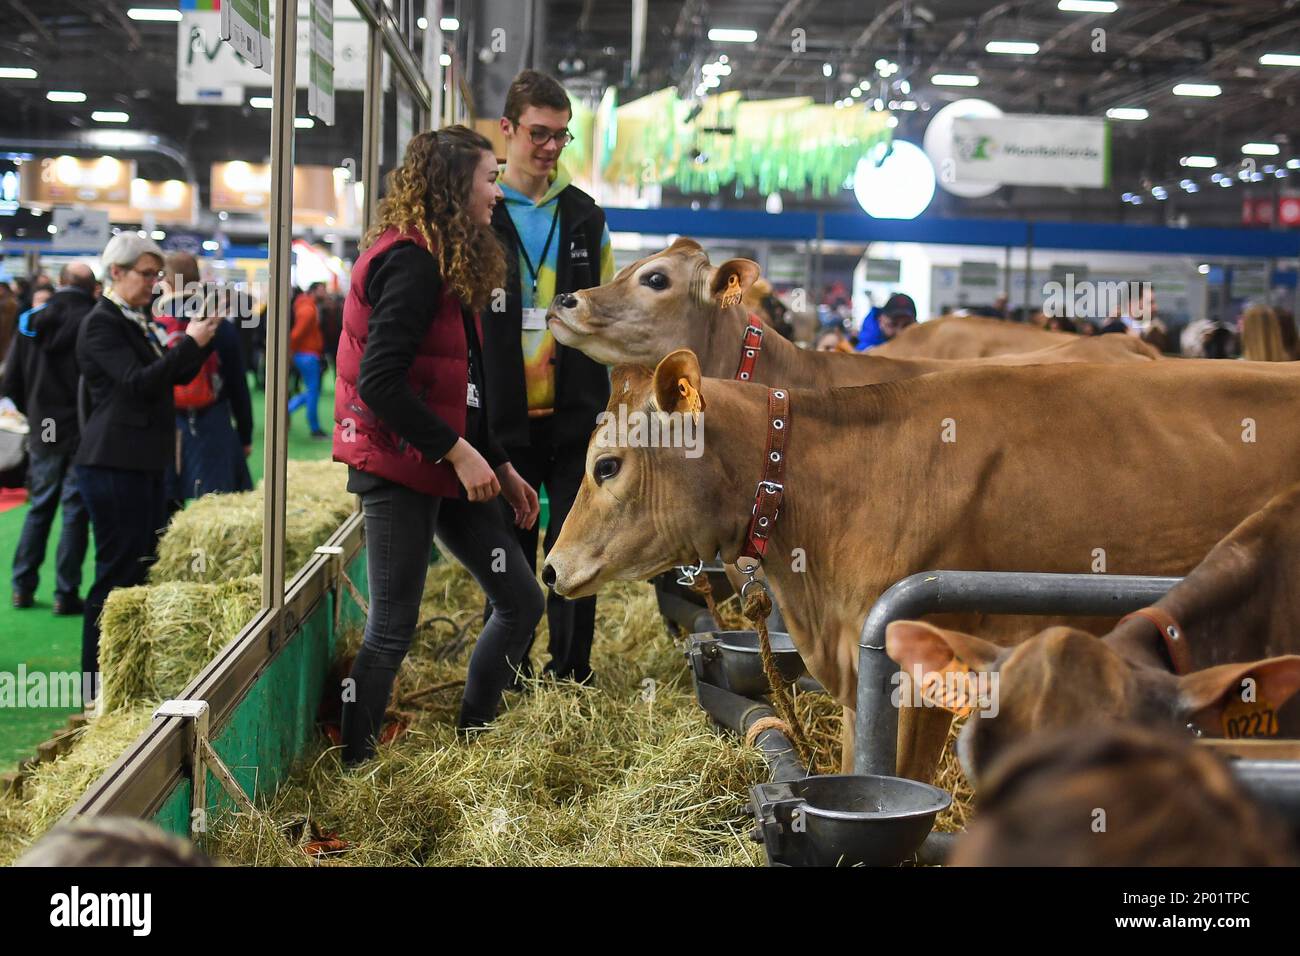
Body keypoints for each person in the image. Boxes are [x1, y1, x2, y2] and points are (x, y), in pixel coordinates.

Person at [334, 126, 544, 763]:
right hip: (401, 464)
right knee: (392, 628)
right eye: (489, 178)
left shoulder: (442, 256)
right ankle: (354, 769)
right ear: (456, 186)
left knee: (521, 599)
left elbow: (464, 382)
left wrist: (499, 463)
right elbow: (379, 383)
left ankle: (474, 740)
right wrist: (457, 451)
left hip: (439, 461)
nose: (498, 193)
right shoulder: (412, 259)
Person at [484, 69, 616, 685]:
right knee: (507, 561)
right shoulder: (480, 211)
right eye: (539, 133)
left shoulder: (586, 216)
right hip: (502, 420)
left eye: (561, 136)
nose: (550, 147)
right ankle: (503, 677)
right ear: (506, 129)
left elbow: (609, 315)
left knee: (576, 554)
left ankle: (570, 679)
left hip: (574, 416)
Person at [74, 234, 218, 685]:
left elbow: (171, 375)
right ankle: (94, 682)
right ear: (116, 272)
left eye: (158, 274)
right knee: (115, 574)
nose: (155, 283)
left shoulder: (134, 319)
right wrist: (188, 344)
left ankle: (121, 676)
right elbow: (138, 383)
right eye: (147, 274)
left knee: (137, 568)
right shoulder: (102, 323)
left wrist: (202, 340)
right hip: (115, 462)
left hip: (141, 461)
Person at [1, 264, 95, 613]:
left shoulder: (30, 322)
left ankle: (22, 587)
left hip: (45, 425)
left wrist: (37, 413)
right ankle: (65, 593)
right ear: (92, 287)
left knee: (40, 506)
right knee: (74, 511)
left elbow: (10, 383)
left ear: (61, 284)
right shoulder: (94, 320)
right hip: (82, 428)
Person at [154, 252, 254, 501]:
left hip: (166, 423)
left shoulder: (154, 322)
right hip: (213, 419)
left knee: (166, 506)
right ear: (197, 279)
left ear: (165, 279)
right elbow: (236, 382)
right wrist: (245, 434)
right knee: (217, 502)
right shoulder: (217, 322)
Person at [288, 281, 327, 438]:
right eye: (322, 290)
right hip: (307, 355)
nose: (325, 293)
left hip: (307, 354)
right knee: (313, 392)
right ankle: (314, 428)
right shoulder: (308, 309)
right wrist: (290, 351)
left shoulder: (307, 306)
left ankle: (287, 409)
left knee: (312, 391)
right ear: (314, 291)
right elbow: (296, 335)